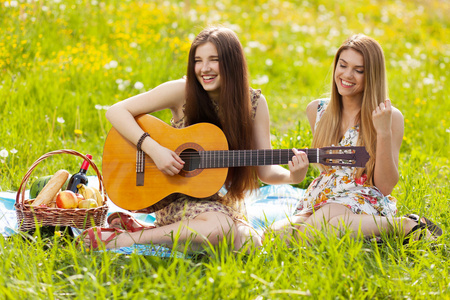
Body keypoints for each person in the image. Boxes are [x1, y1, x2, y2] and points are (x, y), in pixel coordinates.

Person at [79, 26, 309, 251]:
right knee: (219, 229)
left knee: (251, 245)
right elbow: (116, 111)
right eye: (198, 60)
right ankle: (126, 239)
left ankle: (137, 229)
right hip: (176, 196)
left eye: (213, 59)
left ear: (232, 62)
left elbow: (266, 171)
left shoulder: (255, 104)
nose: (204, 68)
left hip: (224, 201)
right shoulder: (182, 91)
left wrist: (292, 175)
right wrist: (154, 149)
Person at [267, 34, 442, 244]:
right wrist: (298, 171)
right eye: (343, 65)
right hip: (324, 195)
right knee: (273, 235)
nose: (347, 75)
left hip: (364, 196)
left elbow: (385, 187)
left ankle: (403, 224)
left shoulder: (389, 116)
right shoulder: (317, 110)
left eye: (358, 70)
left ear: (372, 76)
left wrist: (384, 132)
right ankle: (369, 234)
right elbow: (330, 172)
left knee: (315, 232)